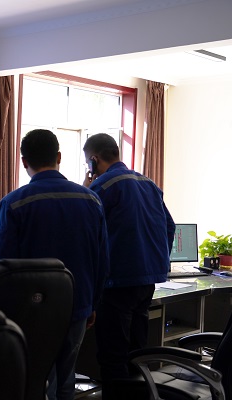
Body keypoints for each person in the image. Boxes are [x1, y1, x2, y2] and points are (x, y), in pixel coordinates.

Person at [0, 129, 109, 400]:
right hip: (77, 307)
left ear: (24, 161)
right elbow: (102, 260)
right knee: (65, 380)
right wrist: (93, 303)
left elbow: (1, 269)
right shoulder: (91, 200)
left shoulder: (14, 203)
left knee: (34, 383)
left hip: (31, 311)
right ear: (58, 157)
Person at [82, 133, 175, 399]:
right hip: (147, 282)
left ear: (94, 160)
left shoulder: (103, 187)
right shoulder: (149, 183)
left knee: (113, 357)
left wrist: (87, 188)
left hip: (117, 283)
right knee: (136, 352)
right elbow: (169, 227)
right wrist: (157, 262)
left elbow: (84, 225)